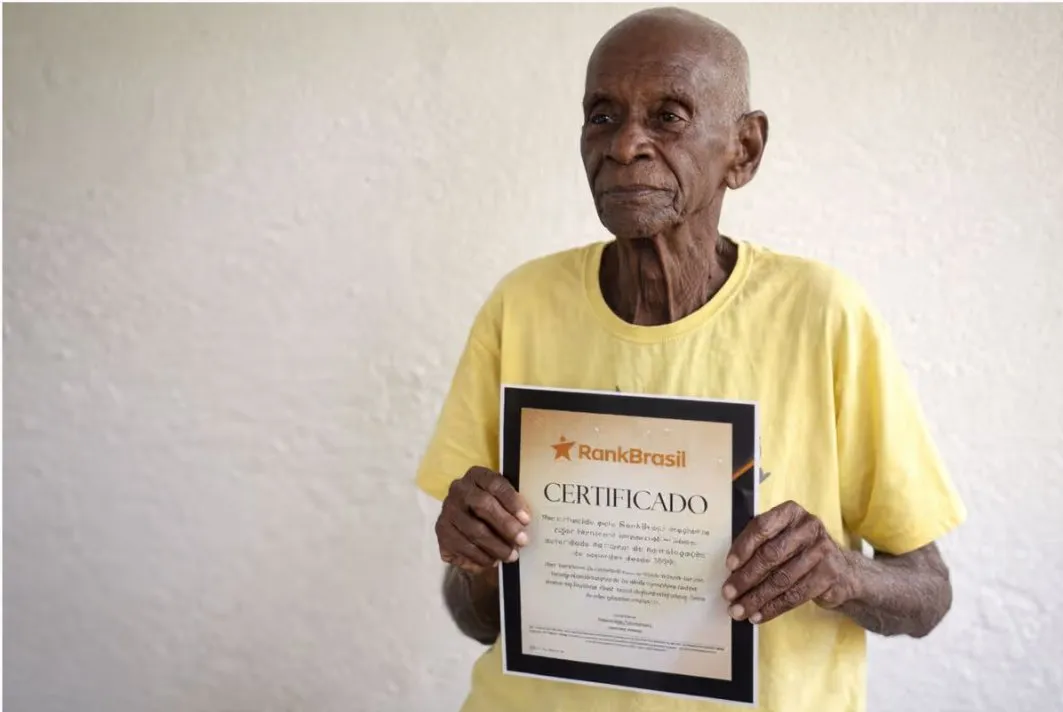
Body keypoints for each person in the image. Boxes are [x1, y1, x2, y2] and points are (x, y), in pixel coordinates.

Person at [415, 7, 966, 712]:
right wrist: (474, 561)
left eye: (668, 117)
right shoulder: (522, 305)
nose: (625, 146)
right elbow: (477, 619)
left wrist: (837, 572)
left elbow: (927, 593)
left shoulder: (821, 314)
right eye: (602, 116)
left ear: (744, 149)